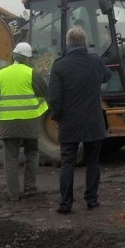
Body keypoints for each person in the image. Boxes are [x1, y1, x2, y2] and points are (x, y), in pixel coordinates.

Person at [47, 26, 111, 214]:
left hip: (69, 122)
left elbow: (55, 99)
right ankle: (91, 199)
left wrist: (57, 117)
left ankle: (65, 204)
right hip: (93, 122)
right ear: (84, 42)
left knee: (68, 163)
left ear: (68, 43)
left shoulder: (59, 66)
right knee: (93, 161)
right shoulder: (96, 62)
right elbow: (108, 76)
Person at [0, 42, 49, 202]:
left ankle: (13, 194)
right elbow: (45, 92)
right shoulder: (32, 74)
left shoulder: (1, 74)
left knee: (10, 159)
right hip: (30, 123)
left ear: (14, 56)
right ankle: (30, 187)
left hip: (8, 124)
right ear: (27, 59)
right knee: (32, 153)